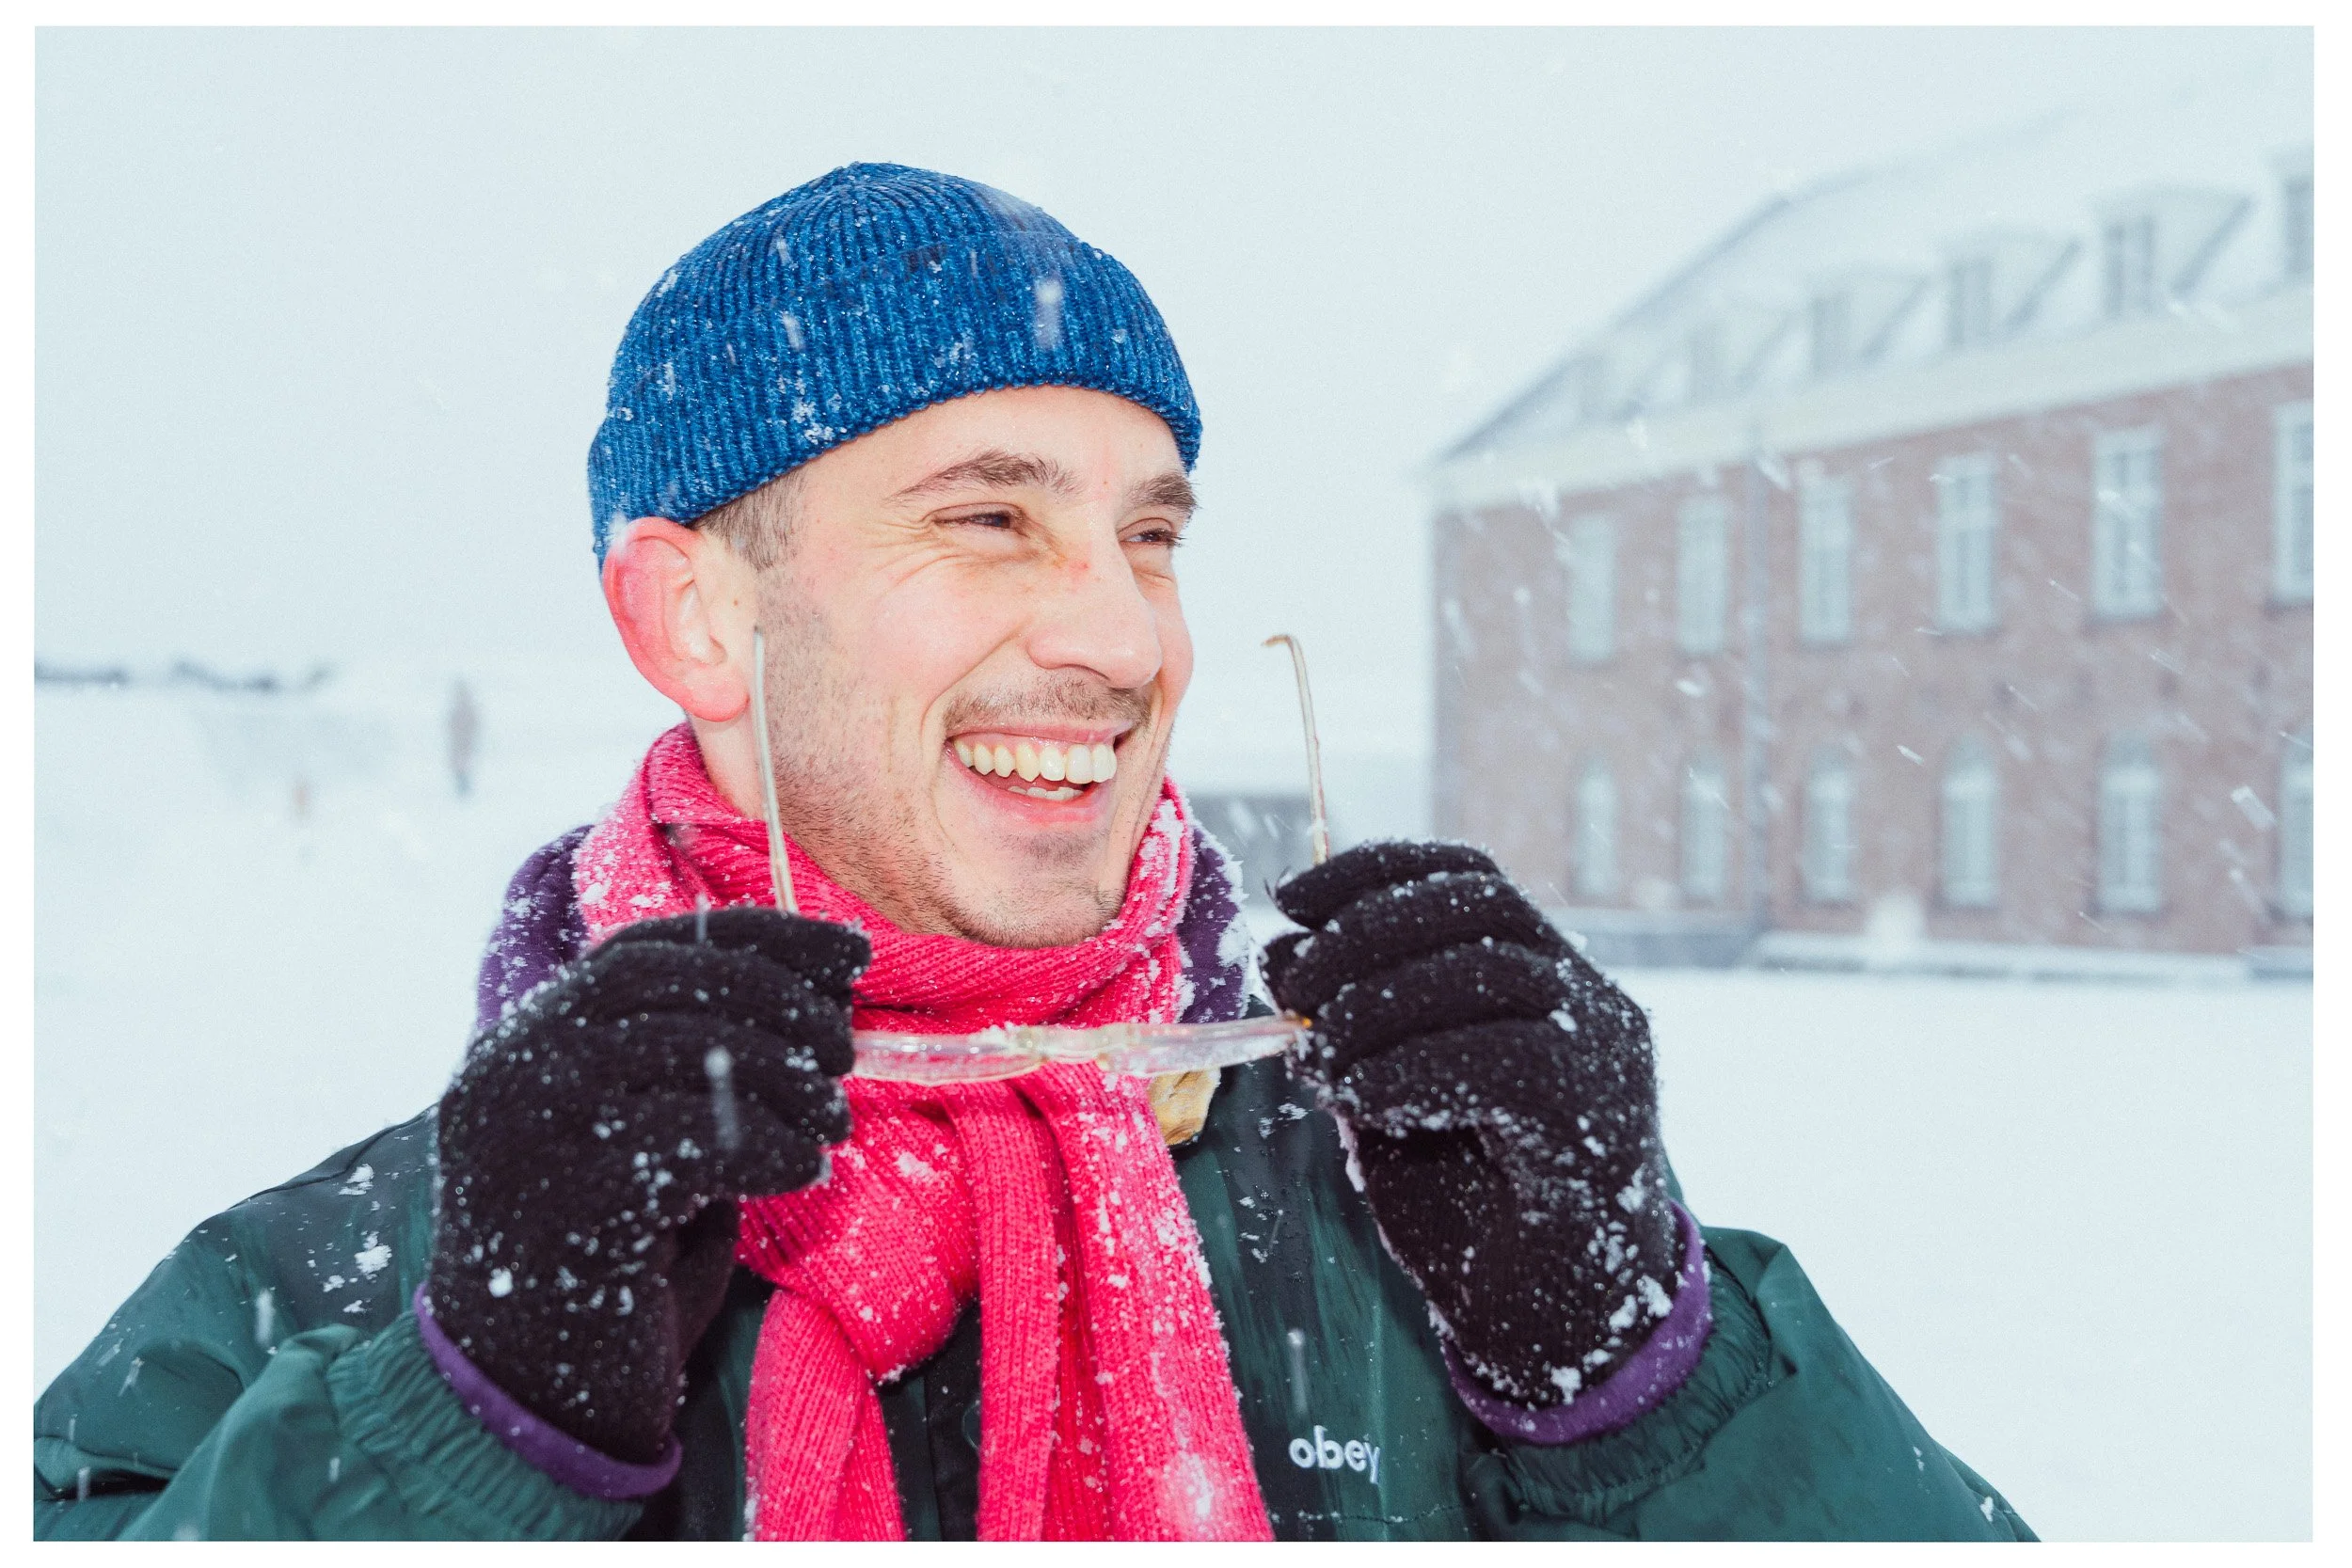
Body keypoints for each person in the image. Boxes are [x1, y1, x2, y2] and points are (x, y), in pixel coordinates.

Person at [33, 164, 2032, 1542]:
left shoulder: (1417, 1203)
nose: (1116, 631)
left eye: (1148, 532)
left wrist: (1645, 1384)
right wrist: (466, 1425)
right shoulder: (329, 1291)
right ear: (693, 618)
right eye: (987, 518)